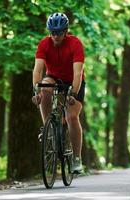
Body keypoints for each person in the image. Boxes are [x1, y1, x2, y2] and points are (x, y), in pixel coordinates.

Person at [32, 12, 85, 174]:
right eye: (53, 32)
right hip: (54, 77)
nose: (56, 36)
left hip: (73, 81)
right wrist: (36, 91)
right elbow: (38, 69)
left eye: (59, 32)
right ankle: (48, 128)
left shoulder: (75, 43)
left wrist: (73, 94)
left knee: (71, 117)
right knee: (45, 87)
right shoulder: (44, 44)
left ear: (66, 31)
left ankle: (76, 159)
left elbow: (77, 73)